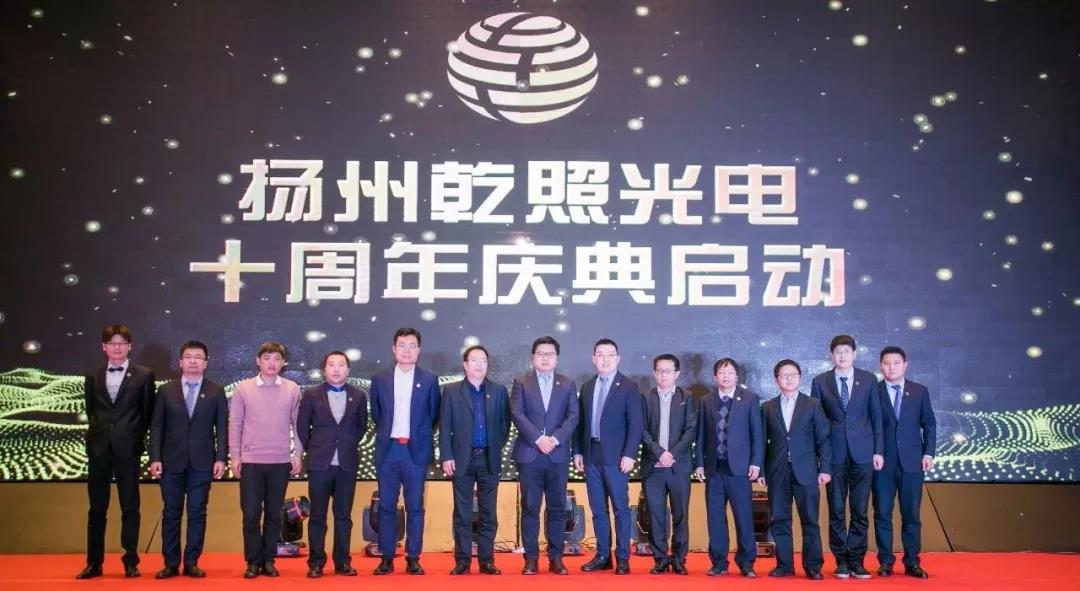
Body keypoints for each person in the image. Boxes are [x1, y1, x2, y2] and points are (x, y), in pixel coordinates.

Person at [77, 324, 157, 579]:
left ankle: (131, 561)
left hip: (128, 448)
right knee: (96, 509)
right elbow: (91, 410)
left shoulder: (144, 375)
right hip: (99, 448)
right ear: (104, 347)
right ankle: (94, 562)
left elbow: (147, 413)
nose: (117, 347)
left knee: (130, 507)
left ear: (130, 346)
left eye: (122, 342)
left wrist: (130, 434)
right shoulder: (92, 375)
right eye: (112, 343)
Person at [148, 340, 227, 579]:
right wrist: (155, 457)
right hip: (171, 461)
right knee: (171, 513)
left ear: (206, 363)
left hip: (203, 462)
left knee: (197, 513)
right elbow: (157, 426)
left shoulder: (216, 391)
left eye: (198, 357)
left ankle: (192, 562)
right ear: (180, 362)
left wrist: (221, 458)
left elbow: (222, 428)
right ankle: (171, 563)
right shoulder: (166, 390)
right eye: (189, 357)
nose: (193, 361)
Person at [810, 335, 884, 579]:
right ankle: (841, 560)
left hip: (863, 453)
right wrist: (821, 457)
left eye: (846, 351)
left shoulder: (869, 379)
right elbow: (817, 422)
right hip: (834, 455)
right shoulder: (820, 381)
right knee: (837, 510)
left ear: (854, 354)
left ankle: (857, 560)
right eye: (837, 351)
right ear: (831, 355)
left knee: (860, 510)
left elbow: (876, 417)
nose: (842, 355)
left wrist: (878, 450)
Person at [369, 328, 441, 575]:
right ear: (394, 349)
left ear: (419, 350)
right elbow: (377, 414)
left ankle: (413, 557)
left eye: (412, 346)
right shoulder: (380, 378)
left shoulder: (429, 379)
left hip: (415, 451)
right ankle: (387, 557)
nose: (407, 350)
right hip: (388, 450)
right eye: (402, 345)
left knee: (415, 506)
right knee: (387, 506)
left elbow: (433, 415)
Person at [228, 342, 303, 578]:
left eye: (277, 359)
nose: (272, 363)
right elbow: (235, 424)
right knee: (251, 515)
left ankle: (269, 560)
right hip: (251, 462)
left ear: (283, 363)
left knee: (273, 515)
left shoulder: (292, 389)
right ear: (258, 361)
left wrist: (298, 454)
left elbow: (298, 425)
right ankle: (252, 561)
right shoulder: (243, 389)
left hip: (280, 461)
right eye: (267, 358)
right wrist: (235, 456)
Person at [510, 336, 579, 576]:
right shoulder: (521, 382)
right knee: (530, 507)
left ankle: (556, 558)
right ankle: (530, 559)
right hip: (530, 454)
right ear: (533, 357)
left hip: (557, 455)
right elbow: (517, 413)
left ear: (556, 358)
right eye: (541, 354)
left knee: (557, 508)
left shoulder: (567, 384)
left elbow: (573, 416)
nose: (545, 358)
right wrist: (538, 439)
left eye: (550, 354)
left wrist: (555, 439)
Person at [439, 345, 511, 575]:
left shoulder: (498, 391)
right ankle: (462, 561)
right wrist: (447, 455)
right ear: (465, 364)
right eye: (474, 360)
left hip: (489, 458)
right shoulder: (451, 391)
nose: (479, 364)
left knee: (488, 513)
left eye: (483, 360)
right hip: (462, 459)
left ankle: (487, 561)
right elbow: (445, 426)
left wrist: (494, 446)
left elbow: (504, 425)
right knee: (462, 513)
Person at [296, 351, 368, 578]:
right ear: (324, 369)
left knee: (343, 516)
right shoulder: (311, 395)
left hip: (346, 464)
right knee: (317, 515)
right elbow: (302, 427)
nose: (336, 369)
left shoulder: (358, 396)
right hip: (319, 464)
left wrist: (345, 443)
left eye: (341, 365)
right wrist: (316, 448)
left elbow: (361, 427)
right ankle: (316, 563)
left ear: (348, 370)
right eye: (331, 365)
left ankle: (343, 562)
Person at [573, 338, 642, 575]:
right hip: (591, 454)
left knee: (620, 509)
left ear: (617, 358)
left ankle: (622, 557)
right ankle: (603, 555)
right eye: (600, 355)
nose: (605, 359)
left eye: (610, 355)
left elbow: (636, 424)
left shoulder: (629, 386)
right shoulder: (587, 386)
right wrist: (578, 451)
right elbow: (580, 423)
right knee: (598, 509)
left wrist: (630, 454)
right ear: (594, 359)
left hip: (617, 457)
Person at [759, 359, 832, 580]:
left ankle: (813, 566)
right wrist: (761, 471)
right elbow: (761, 442)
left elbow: (823, 439)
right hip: (777, 471)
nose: (789, 378)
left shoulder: (812, 404)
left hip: (807, 471)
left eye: (793, 374)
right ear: (777, 380)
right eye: (784, 375)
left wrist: (825, 468)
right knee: (780, 520)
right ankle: (784, 565)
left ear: (800, 378)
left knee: (810, 520)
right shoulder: (768, 407)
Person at [694, 358, 764, 577]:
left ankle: (746, 562)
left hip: (740, 469)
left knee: (743, 517)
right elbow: (701, 435)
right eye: (722, 373)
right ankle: (719, 563)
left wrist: (756, 462)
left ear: (737, 376)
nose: (726, 376)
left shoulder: (749, 399)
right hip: (714, 468)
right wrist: (699, 463)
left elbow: (757, 434)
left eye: (730, 372)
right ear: (715, 377)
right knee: (715, 518)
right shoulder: (706, 401)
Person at [872, 346, 937, 579]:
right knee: (882, 514)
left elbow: (929, 424)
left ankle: (912, 562)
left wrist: (928, 453)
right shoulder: (873, 391)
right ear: (881, 366)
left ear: (905, 365)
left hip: (913, 462)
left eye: (896, 363)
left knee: (911, 514)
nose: (891, 367)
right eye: (886, 363)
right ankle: (885, 562)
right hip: (882, 463)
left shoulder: (919, 391)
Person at [639, 354, 698, 575]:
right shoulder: (645, 397)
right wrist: (659, 453)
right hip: (653, 466)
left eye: (668, 371)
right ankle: (660, 559)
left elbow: (691, 429)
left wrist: (671, 454)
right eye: (660, 371)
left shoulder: (687, 397)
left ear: (677, 374)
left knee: (680, 514)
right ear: (654, 373)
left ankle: (679, 559)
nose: (664, 375)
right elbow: (642, 429)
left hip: (678, 466)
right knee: (655, 515)